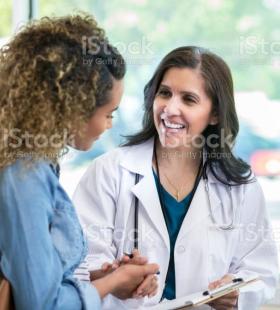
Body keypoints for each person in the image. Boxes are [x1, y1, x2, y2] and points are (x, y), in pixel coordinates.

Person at [73, 46, 279, 310]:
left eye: (189, 99)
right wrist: (113, 276)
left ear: (215, 113)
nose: (170, 108)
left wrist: (237, 292)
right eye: (165, 93)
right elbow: (79, 265)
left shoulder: (240, 185)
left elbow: (261, 270)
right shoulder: (109, 172)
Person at [0, 14, 159, 310]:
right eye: (109, 114)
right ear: (74, 107)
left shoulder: (36, 165)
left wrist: (104, 278)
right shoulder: (24, 177)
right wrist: (110, 284)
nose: (110, 125)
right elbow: (43, 305)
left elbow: (38, 276)